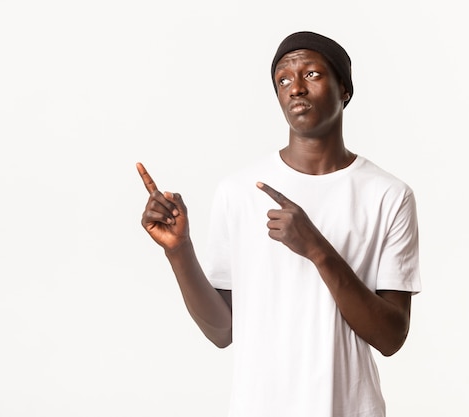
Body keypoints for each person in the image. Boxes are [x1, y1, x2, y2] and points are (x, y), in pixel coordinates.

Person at [137, 31, 421, 417]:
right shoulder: (237, 191)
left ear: (345, 91)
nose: (296, 88)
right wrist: (178, 251)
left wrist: (318, 250)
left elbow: (390, 337)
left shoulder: (388, 194)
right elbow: (223, 332)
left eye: (313, 74)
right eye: (283, 80)